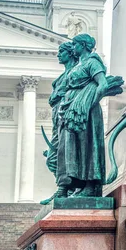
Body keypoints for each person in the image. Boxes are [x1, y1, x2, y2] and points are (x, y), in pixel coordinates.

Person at [56, 34, 111, 197]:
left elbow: (103, 85)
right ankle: (74, 184)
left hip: (86, 111)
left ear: (84, 45)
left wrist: (87, 104)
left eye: (75, 44)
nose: (73, 47)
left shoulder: (92, 62)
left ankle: (90, 185)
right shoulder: (77, 66)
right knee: (68, 146)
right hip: (71, 110)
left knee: (87, 146)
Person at [40, 41, 77, 204]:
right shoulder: (65, 74)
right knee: (53, 157)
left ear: (69, 53)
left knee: (57, 157)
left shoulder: (75, 71)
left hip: (67, 116)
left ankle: (65, 188)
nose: (58, 55)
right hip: (57, 118)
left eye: (61, 52)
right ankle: (65, 188)